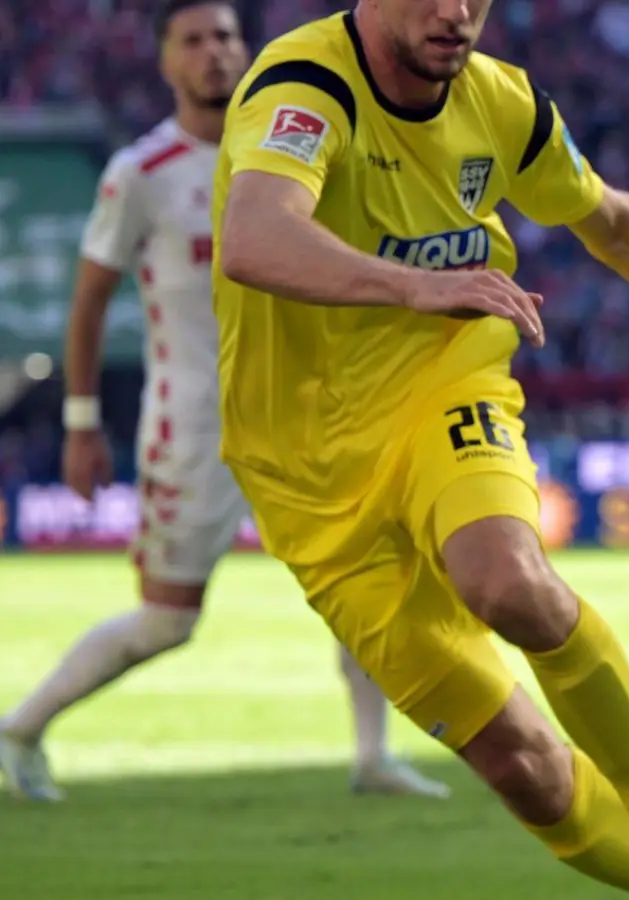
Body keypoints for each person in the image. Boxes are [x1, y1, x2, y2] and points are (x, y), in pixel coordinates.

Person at [209, 0, 629, 897]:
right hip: (302, 468)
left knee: (507, 581)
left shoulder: (502, 102)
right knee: (525, 767)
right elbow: (254, 235)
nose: (458, 13)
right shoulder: (306, 85)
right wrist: (410, 284)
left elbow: (616, 224)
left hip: (444, 386)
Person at [0, 0, 449, 804]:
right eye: (195, 41)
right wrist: (79, 421)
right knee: (167, 620)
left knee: (367, 580)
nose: (214, 54)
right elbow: (89, 302)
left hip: (312, 412)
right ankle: (20, 728)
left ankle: (373, 756)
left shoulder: (300, 146)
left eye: (227, 38)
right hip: (197, 425)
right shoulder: (140, 172)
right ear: (166, 62)